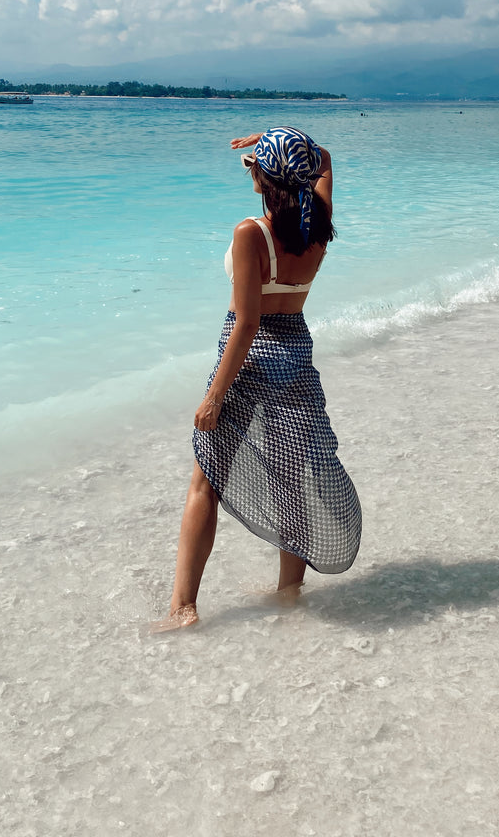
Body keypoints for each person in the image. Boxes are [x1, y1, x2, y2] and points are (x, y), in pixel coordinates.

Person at [154, 125, 362, 629]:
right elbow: (325, 160)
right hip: (296, 355)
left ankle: (184, 607)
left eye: (254, 166)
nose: (248, 173)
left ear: (266, 177)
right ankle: (289, 593)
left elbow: (247, 323)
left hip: (249, 358)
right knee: (291, 478)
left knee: (206, 480)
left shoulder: (253, 233)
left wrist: (213, 396)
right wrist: (276, 141)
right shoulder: (320, 222)